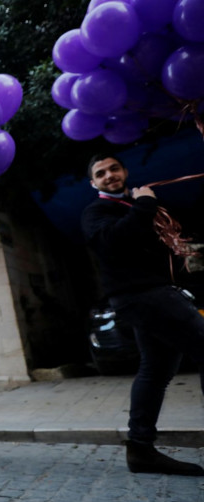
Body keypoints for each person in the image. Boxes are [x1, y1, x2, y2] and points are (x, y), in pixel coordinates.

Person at [81, 153, 204, 476]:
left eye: (114, 169)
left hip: (155, 294)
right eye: (101, 173)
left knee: (157, 369)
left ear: (124, 172)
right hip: (142, 297)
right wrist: (145, 205)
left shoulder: (133, 207)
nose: (109, 175)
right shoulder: (97, 211)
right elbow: (112, 241)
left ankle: (140, 450)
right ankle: (140, 447)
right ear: (93, 183)